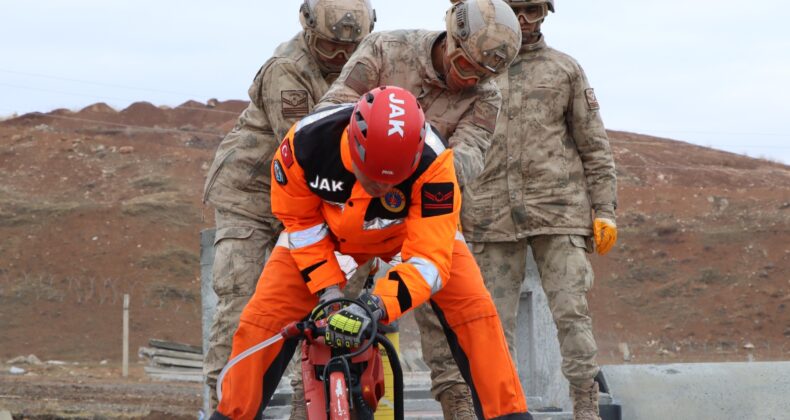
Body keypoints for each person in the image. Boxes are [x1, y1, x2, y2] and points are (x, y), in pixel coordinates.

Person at [210, 86, 532, 420]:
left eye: (393, 183)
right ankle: (233, 414)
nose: (381, 188)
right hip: (329, 235)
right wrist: (328, 289)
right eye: (373, 177)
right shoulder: (305, 146)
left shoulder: (436, 166)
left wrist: (376, 306)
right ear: (353, 143)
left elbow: (431, 260)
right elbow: (299, 221)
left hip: (408, 234)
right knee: (264, 317)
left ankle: (508, 415)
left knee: (475, 311)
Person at [316, 0, 521, 415]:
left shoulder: (486, 97)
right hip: (356, 205)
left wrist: (410, 171)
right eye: (465, 65)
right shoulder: (385, 50)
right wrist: (374, 163)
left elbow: (468, 160)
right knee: (332, 320)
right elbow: (330, 114)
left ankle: (463, 408)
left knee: (456, 318)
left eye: (483, 74)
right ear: (450, 38)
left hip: (425, 214)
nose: (471, 78)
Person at [202, 0, 375, 411]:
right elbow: (302, 145)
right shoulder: (286, 68)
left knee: (328, 309)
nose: (341, 58)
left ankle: (311, 405)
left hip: (314, 196)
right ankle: (223, 405)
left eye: (350, 49)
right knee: (242, 305)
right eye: (330, 47)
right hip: (253, 197)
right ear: (309, 30)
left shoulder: (368, 65)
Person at [460, 1, 618, 419]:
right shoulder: (472, 70)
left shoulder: (564, 69)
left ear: (545, 13)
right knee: (492, 325)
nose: (525, 20)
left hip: (559, 211)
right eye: (516, 10)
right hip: (488, 217)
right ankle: (504, 409)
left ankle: (586, 405)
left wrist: (605, 210)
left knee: (572, 314)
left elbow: (594, 147)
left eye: (532, 9)